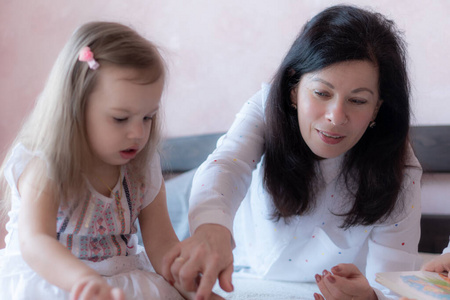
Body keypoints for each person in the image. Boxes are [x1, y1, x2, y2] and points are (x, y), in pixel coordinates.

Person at [162, 5, 423, 300]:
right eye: (322, 93)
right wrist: (211, 227)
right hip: (217, 235)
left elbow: (393, 284)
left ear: (378, 107)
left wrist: (372, 297)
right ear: (294, 90)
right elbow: (226, 166)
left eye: (358, 101)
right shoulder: (264, 109)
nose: (336, 117)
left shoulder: (400, 170)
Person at [0, 21, 192, 300]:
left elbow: (162, 246)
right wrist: (84, 280)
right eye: (120, 118)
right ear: (75, 109)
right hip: (56, 277)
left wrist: (194, 289)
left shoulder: (142, 171)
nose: (138, 133)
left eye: (148, 117)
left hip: (120, 280)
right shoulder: (47, 167)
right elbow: (35, 242)